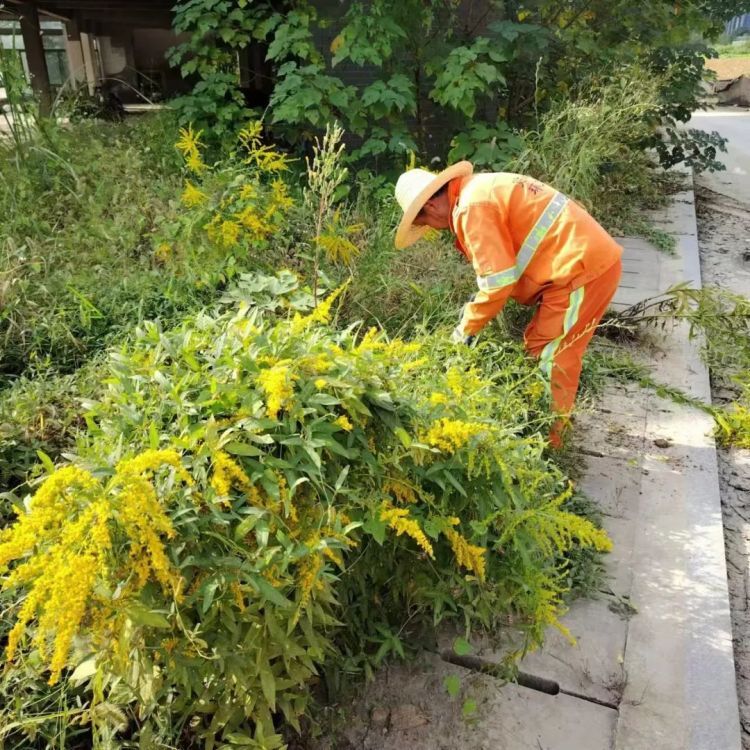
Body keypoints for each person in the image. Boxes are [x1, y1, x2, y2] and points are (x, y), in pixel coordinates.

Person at [393, 161, 623, 448]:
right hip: (578, 265)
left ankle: (548, 446)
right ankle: (547, 429)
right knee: (541, 350)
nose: (434, 229)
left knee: (551, 358)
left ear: (430, 207)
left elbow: (497, 282)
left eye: (425, 222)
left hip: (579, 271)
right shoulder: (478, 190)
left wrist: (465, 331)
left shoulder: (470, 208)